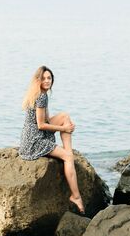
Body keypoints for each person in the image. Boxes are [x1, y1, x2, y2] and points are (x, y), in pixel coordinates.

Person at [19, 65, 85, 214]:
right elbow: (41, 125)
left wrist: (64, 124)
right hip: (35, 141)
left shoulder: (38, 93)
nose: (47, 81)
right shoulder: (41, 97)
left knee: (64, 116)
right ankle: (76, 196)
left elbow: (45, 120)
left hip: (29, 137)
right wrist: (64, 129)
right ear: (39, 80)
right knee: (68, 156)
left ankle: (68, 155)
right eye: (44, 78)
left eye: (49, 78)